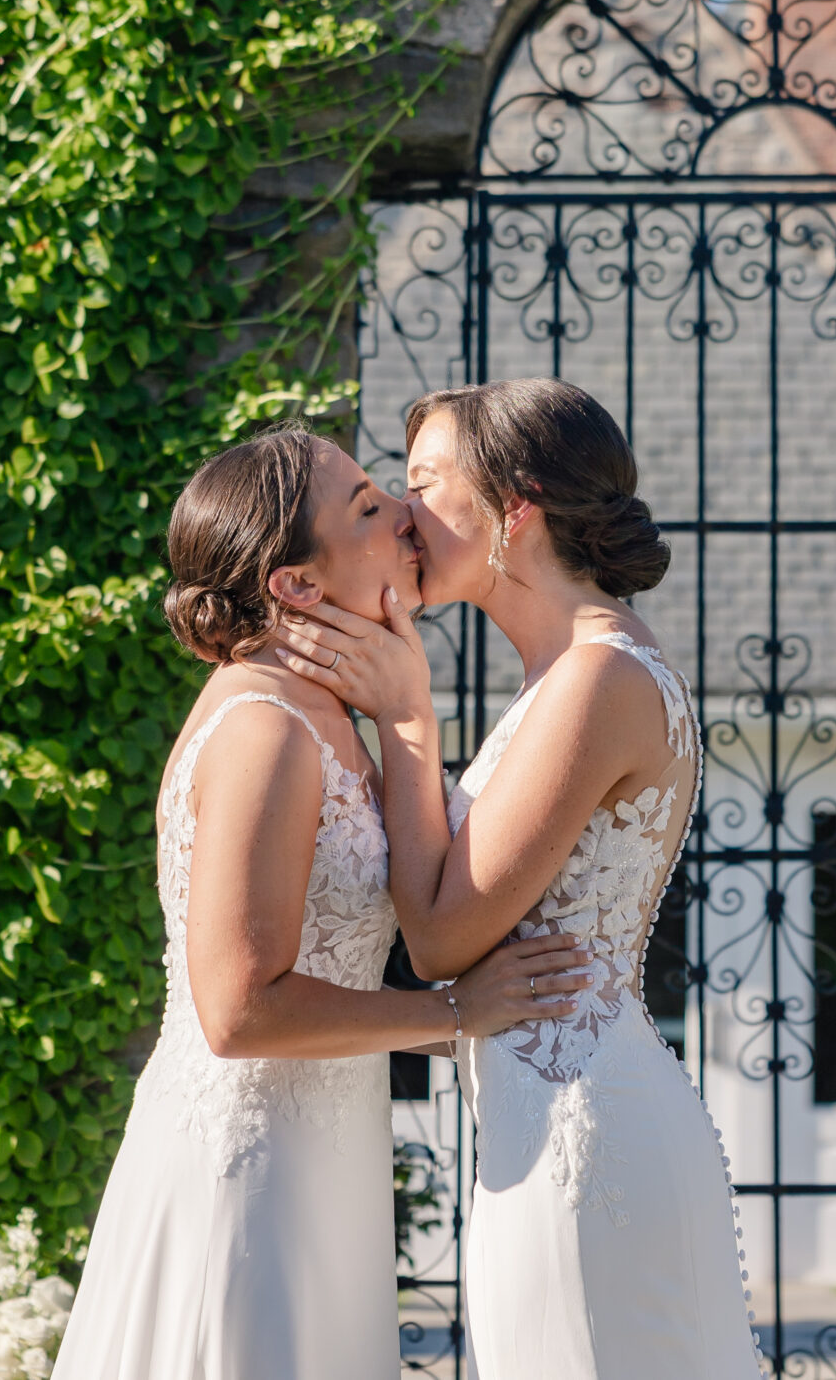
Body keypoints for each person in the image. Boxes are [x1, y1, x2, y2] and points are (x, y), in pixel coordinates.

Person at [52, 421, 590, 1380]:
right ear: (296, 584)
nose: (405, 517)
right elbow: (239, 1005)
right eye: (369, 507)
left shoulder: (329, 710)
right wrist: (457, 1015)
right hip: (247, 1181)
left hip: (325, 1162)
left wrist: (408, 715)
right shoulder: (263, 724)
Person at [275, 379, 763, 1379]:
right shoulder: (564, 675)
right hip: (541, 1124)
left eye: (422, 485)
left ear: (516, 507)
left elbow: (444, 942)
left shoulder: (598, 678)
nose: (402, 515)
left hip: (588, 1142)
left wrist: (407, 726)